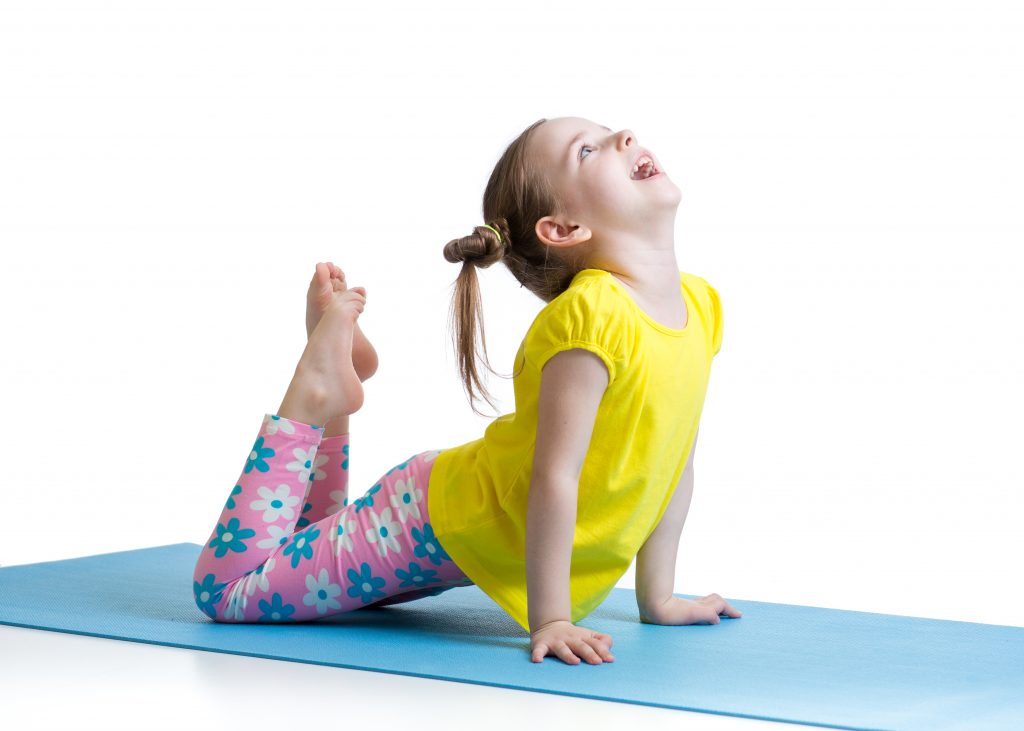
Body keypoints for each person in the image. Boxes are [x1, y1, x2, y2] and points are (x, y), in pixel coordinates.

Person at [192, 116, 742, 665]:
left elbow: (675, 459)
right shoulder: (593, 315)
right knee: (228, 591)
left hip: (464, 540)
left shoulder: (700, 306)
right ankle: (314, 394)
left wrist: (658, 598)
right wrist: (551, 619)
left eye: (609, 133)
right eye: (587, 150)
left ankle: (335, 384)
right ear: (563, 228)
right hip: (426, 521)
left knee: (302, 551)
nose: (625, 135)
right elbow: (556, 476)